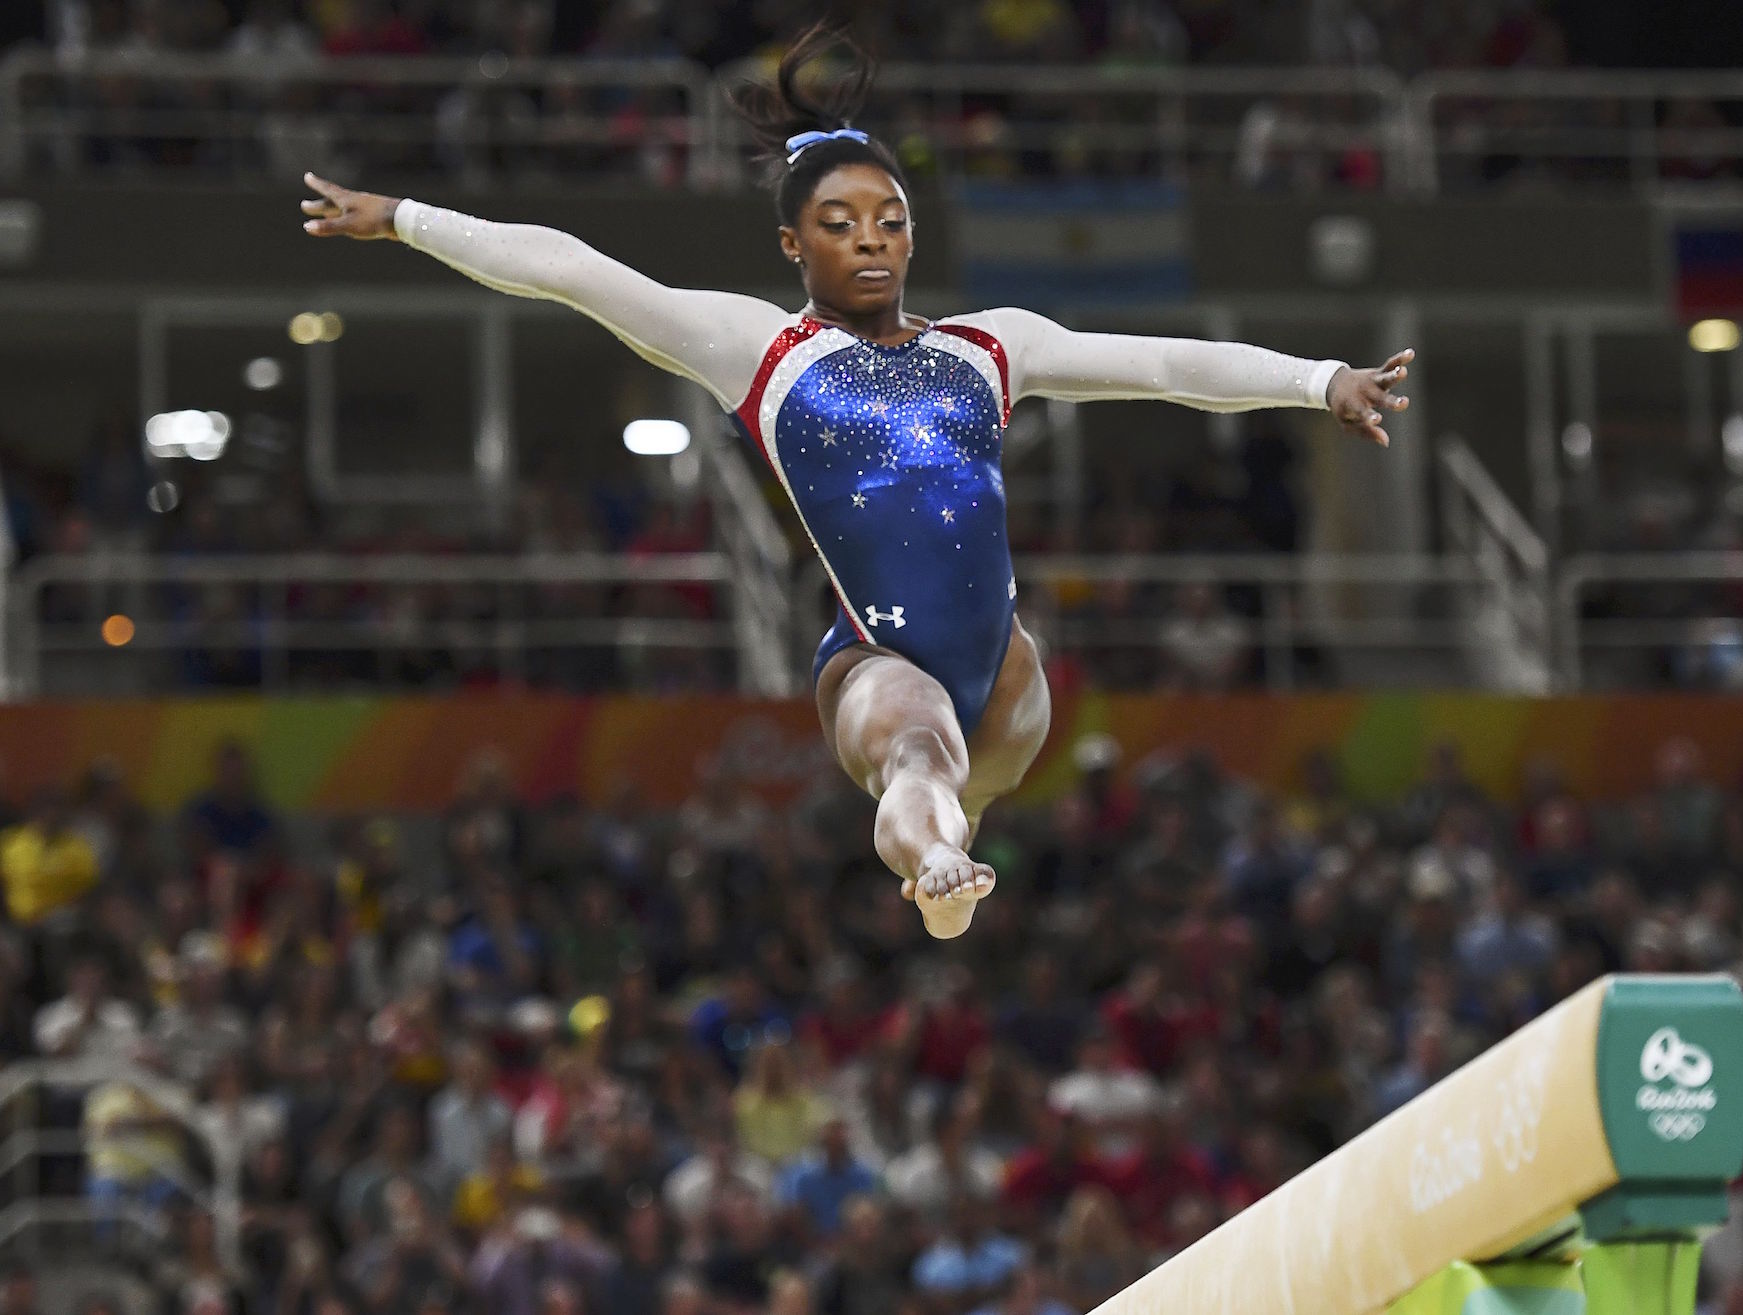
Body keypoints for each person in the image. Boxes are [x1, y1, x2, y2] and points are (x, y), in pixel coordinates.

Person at [296, 24, 1413, 941]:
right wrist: (405, 217)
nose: (868, 243)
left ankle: (952, 828)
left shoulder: (990, 346)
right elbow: (575, 272)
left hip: (1010, 673)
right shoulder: (761, 354)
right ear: (793, 245)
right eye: (838, 226)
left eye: (889, 221)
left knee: (966, 754)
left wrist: (1320, 383)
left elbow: (1165, 366)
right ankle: (934, 859)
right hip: (875, 658)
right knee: (916, 749)